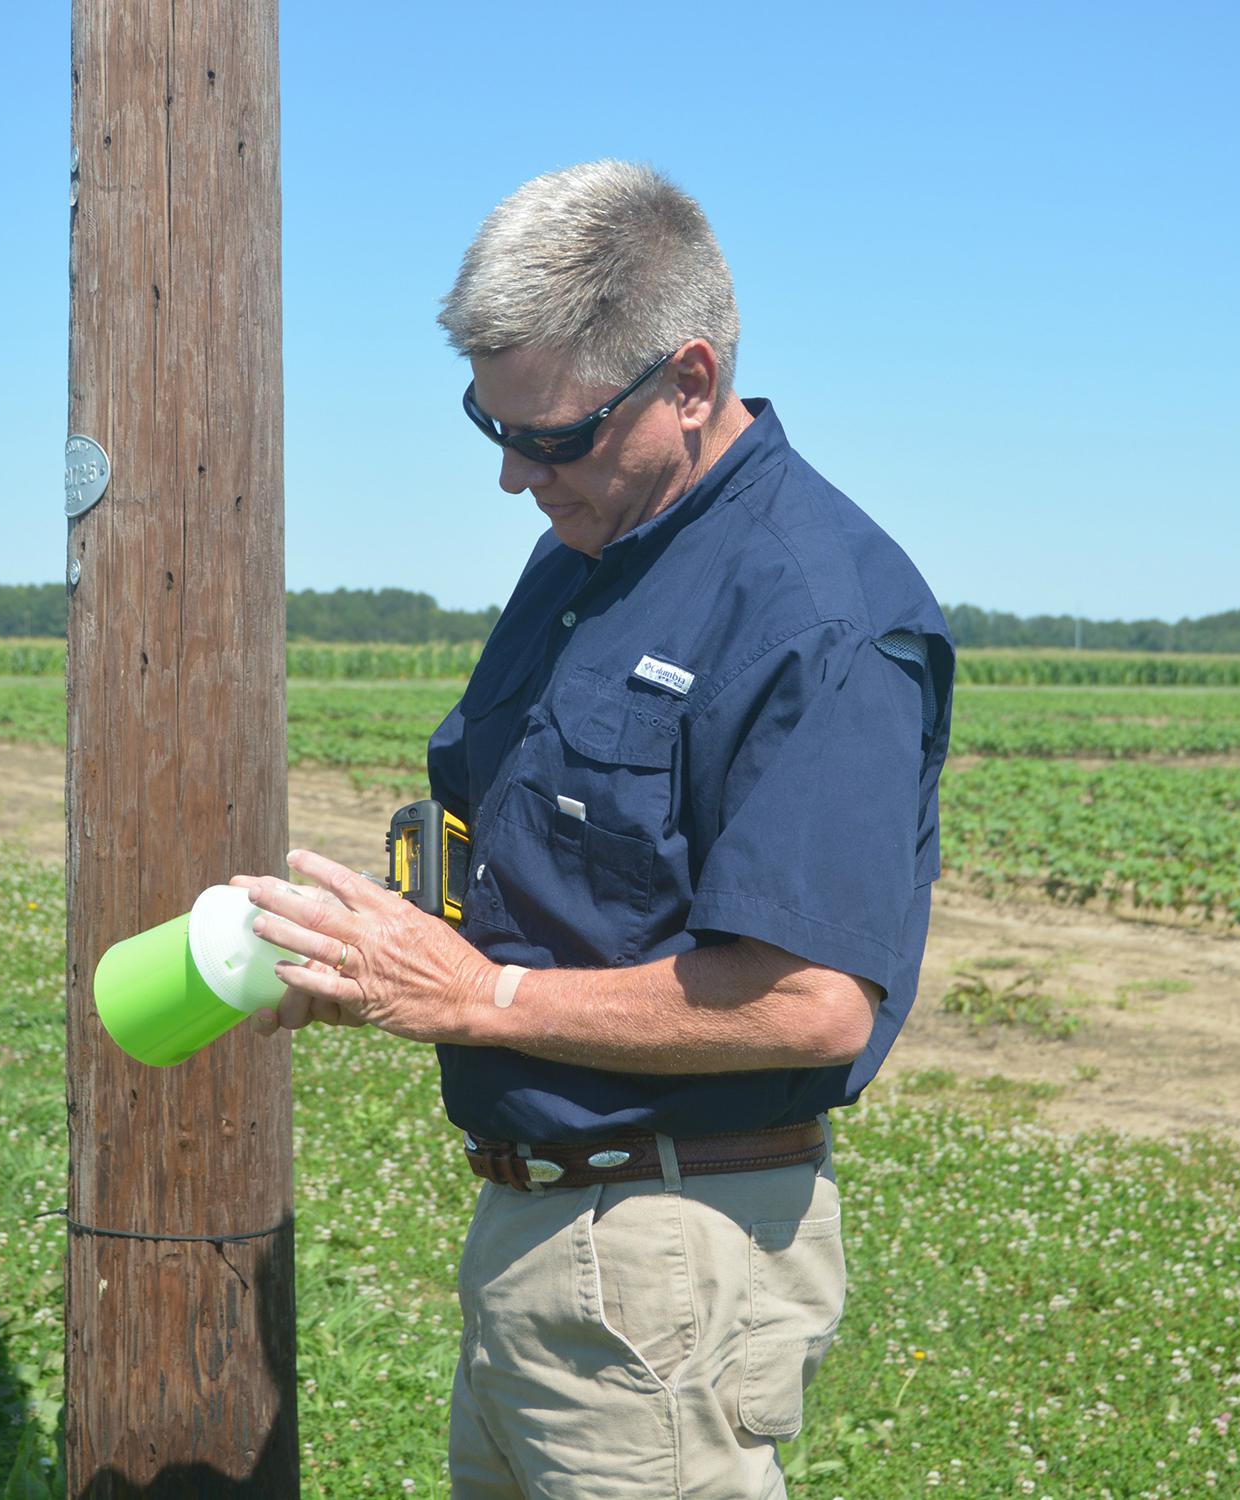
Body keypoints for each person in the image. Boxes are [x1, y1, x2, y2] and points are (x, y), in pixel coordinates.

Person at [236, 160, 953, 1498]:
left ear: (689, 380)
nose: (515, 477)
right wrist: (384, 960)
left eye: (553, 436)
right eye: (489, 426)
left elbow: (811, 1007)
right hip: (537, 1230)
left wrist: (485, 997)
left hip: (668, 1253)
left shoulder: (818, 615)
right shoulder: (592, 551)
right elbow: (562, 872)